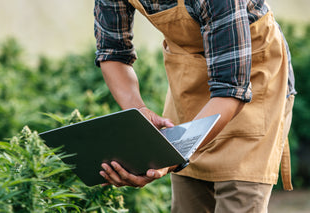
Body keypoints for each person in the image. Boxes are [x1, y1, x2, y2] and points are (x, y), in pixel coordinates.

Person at [94, 0, 297, 212]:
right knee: (188, 205)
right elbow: (112, 52)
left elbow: (231, 89)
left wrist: (172, 154)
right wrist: (139, 113)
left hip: (252, 85)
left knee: (239, 201)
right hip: (189, 85)